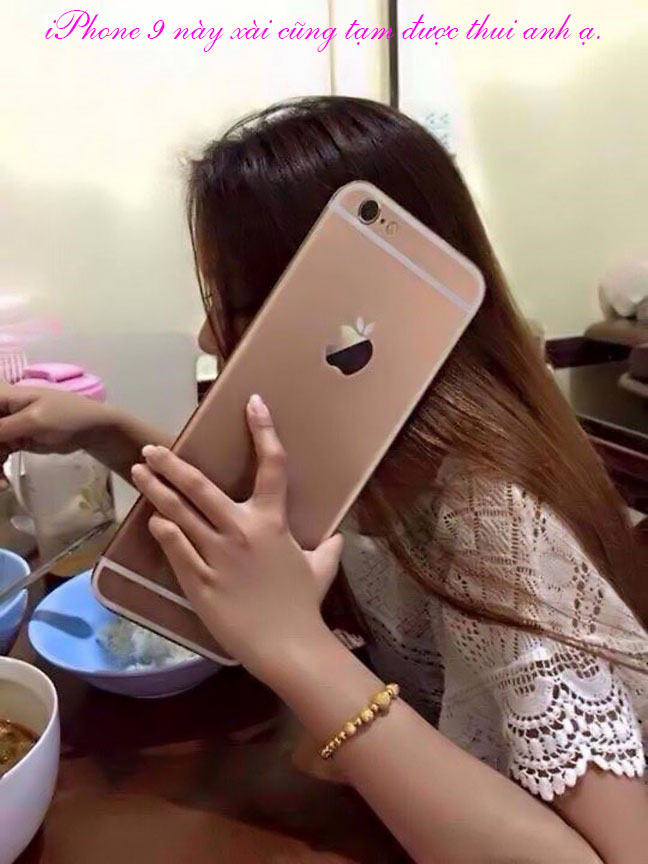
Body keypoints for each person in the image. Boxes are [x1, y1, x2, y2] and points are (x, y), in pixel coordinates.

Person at [1, 96, 646, 864]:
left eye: (230, 304)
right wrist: (106, 431)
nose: (208, 334)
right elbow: (252, 518)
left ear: (345, 313)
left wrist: (296, 647)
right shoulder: (370, 451)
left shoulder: (493, 513)